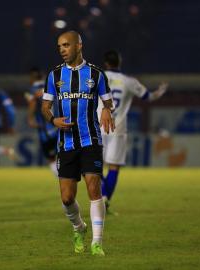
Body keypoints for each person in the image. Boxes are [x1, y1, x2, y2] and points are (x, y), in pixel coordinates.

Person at [41, 31, 115, 256]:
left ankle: (97, 242)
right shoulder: (54, 76)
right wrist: (53, 119)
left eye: (66, 45)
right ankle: (78, 227)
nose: (62, 49)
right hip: (66, 143)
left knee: (94, 188)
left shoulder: (96, 74)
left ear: (79, 45)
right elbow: (44, 107)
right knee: (67, 198)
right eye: (59, 46)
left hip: (91, 139)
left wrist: (107, 111)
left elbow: (108, 101)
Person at [97, 50, 168, 213]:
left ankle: (103, 198)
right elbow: (148, 97)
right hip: (118, 129)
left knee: (95, 167)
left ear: (105, 63)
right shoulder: (129, 81)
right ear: (119, 62)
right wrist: (160, 91)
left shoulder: (96, 77)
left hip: (97, 126)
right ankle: (105, 201)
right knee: (114, 167)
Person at [25, 67, 58, 177]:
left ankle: (63, 181)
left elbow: (32, 103)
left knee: (51, 158)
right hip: (59, 125)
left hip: (46, 130)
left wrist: (30, 118)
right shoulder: (51, 86)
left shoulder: (32, 91)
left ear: (32, 78)